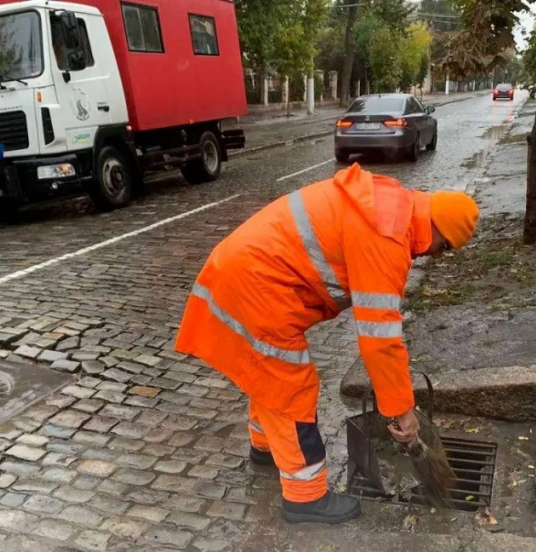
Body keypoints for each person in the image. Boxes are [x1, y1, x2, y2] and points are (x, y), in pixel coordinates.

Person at [175, 164, 479, 523]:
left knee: (268, 375)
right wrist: (403, 411)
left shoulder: (390, 204)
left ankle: (266, 449)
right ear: (440, 231)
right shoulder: (388, 235)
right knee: (292, 387)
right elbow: (379, 340)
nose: (434, 255)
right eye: (443, 247)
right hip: (258, 287)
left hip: (244, 273)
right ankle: (305, 498)